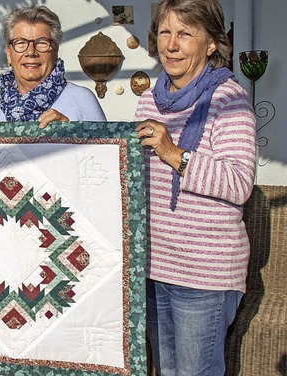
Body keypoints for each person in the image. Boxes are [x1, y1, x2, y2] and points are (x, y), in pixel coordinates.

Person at [134, 0, 256, 374]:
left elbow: (239, 183)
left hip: (204, 273)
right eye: (165, 32)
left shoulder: (229, 99)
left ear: (211, 44)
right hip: (155, 266)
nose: (171, 45)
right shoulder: (146, 101)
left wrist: (174, 152)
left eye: (186, 34)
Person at [0, 5, 106, 126]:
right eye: (20, 43)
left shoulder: (81, 100)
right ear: (9, 53)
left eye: (42, 43)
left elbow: (104, 150)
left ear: (55, 51)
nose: (31, 52)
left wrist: (72, 133)